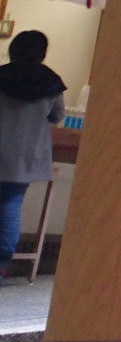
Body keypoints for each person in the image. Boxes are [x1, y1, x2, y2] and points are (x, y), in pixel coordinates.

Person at [0, 31, 64, 280]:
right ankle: (2, 262)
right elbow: (57, 116)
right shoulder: (51, 83)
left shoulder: (2, 76)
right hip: (26, 157)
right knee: (10, 208)